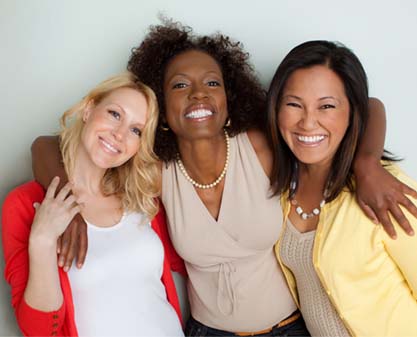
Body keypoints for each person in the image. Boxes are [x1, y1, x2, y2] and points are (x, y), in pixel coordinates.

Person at [31, 21, 417, 336]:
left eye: (212, 83)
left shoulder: (263, 146)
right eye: (180, 85)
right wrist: (68, 205)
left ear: (229, 99)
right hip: (207, 333)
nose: (198, 95)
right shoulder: (157, 174)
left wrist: (367, 163)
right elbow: (44, 145)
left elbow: (362, 104)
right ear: (162, 114)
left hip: (291, 329)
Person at [2, 72, 185, 337]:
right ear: (89, 109)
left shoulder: (143, 198)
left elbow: (193, 261)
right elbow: (38, 331)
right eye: (114, 114)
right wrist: (42, 241)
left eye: (136, 130)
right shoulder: (24, 204)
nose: (120, 134)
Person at [267, 40, 417, 336]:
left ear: (352, 113)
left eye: (327, 106)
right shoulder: (279, 193)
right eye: (294, 104)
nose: (308, 122)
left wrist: (366, 163)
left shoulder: (383, 189)